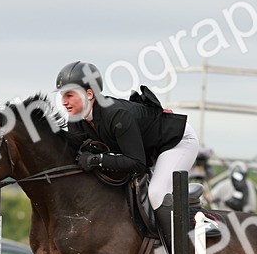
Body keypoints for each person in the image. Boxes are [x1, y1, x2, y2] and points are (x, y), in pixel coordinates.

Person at [55, 60, 219, 242]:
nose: (64, 102)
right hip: (149, 148)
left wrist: (97, 160)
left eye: (69, 95)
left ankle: (191, 230)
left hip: (177, 142)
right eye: (62, 96)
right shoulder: (76, 120)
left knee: (156, 193)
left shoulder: (116, 115)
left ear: (89, 94)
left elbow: (137, 164)